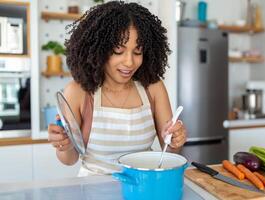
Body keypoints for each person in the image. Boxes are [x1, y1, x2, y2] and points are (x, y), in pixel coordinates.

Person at [48, 1, 187, 176]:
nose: (129, 62)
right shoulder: (78, 92)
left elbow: (168, 154)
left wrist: (175, 141)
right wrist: (64, 145)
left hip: (141, 188)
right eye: (118, 51)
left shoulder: (153, 88)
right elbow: (69, 160)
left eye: (137, 52)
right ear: (98, 49)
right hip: (93, 191)